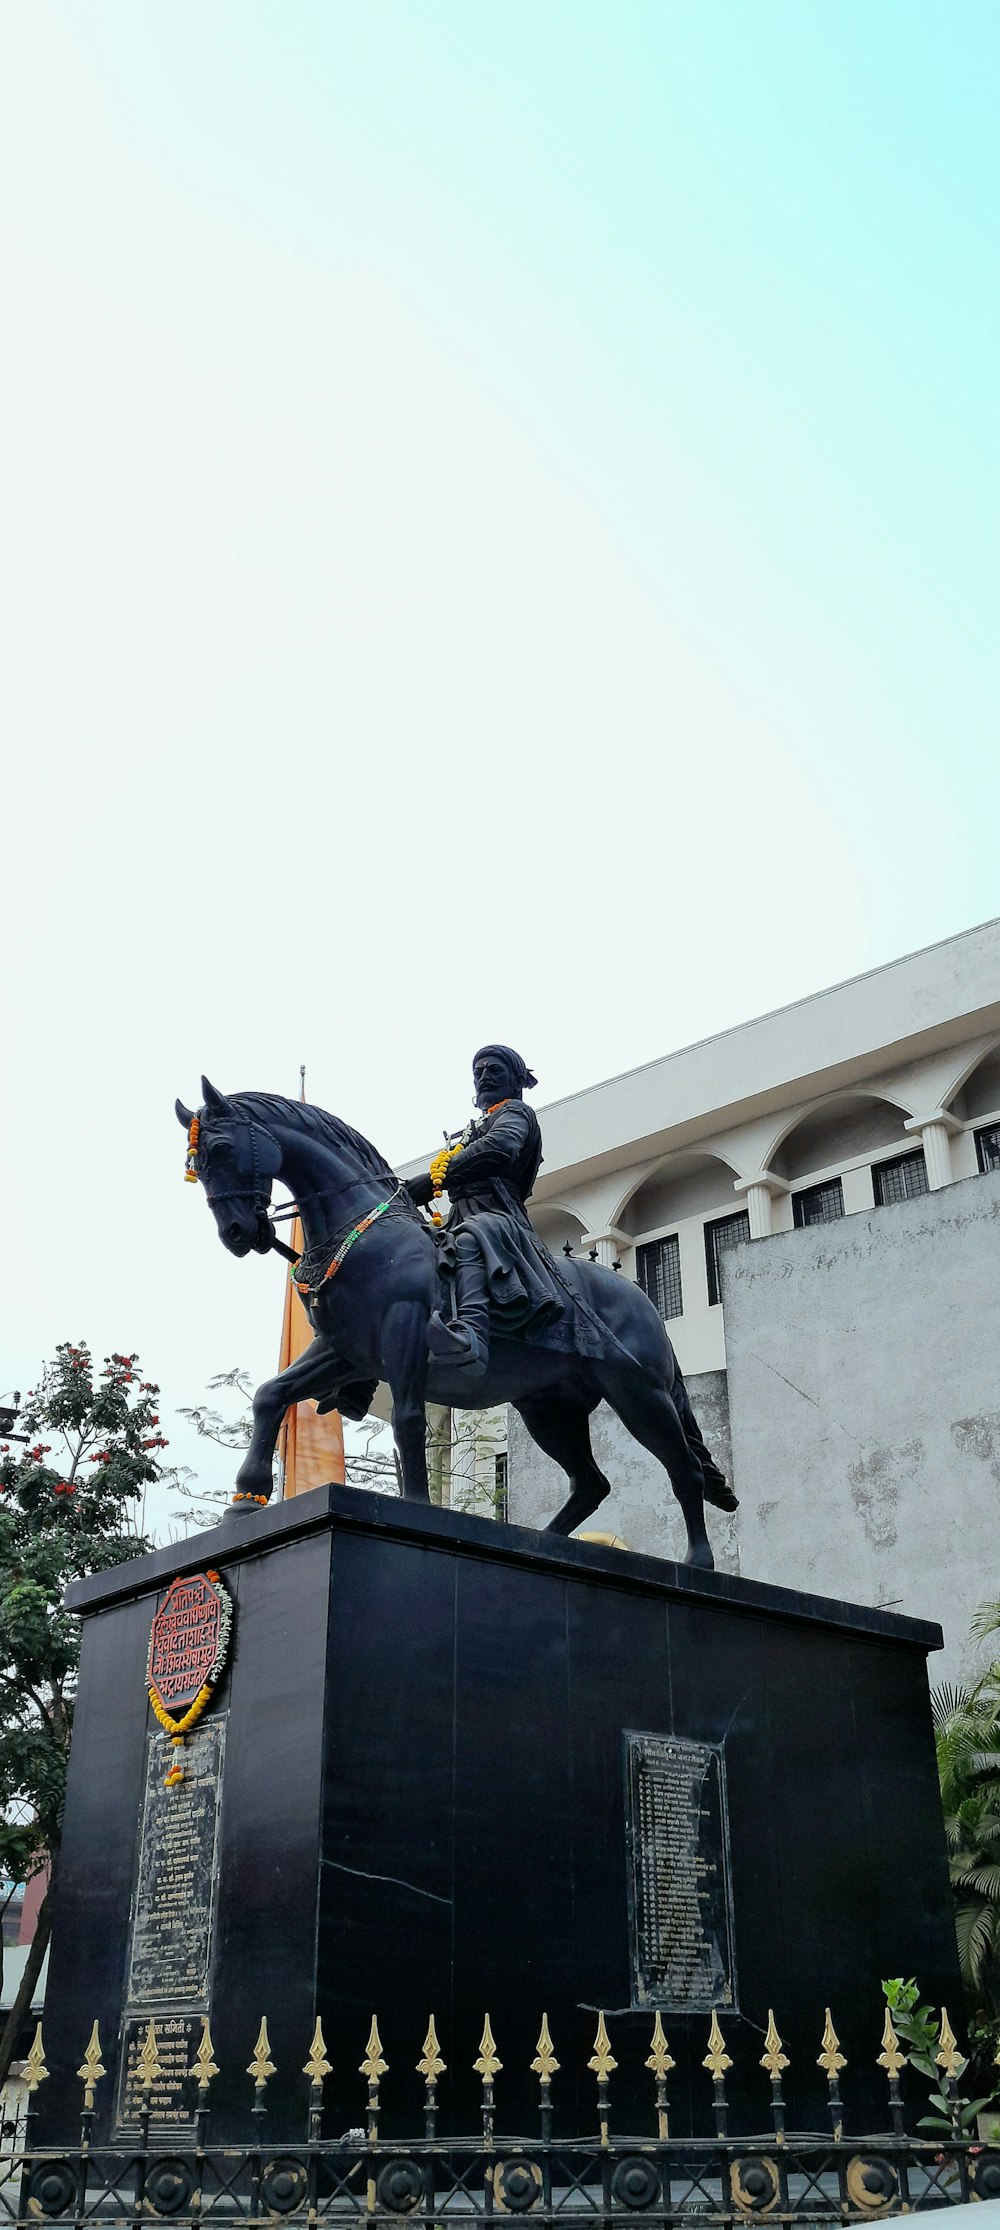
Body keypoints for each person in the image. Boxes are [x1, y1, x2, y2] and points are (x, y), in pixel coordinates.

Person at [406, 1044, 568, 1378]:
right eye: (478, 1072)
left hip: (495, 1215)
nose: (483, 1077)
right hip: (458, 1215)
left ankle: (472, 1335)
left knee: (468, 1241)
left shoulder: (515, 1113)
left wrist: (436, 1179)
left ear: (517, 1079)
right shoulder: (474, 1127)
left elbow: (500, 1147)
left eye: (493, 1070)